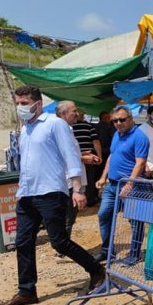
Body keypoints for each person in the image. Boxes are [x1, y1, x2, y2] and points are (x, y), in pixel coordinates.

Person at [0, 86, 105, 305]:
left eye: (24, 103)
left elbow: (71, 156)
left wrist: (78, 189)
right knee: (23, 242)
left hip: (50, 192)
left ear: (37, 103)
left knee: (59, 241)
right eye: (17, 103)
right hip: (27, 194)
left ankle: (96, 270)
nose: (20, 107)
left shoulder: (55, 124)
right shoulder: (26, 129)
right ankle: (27, 291)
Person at [94, 106, 149, 262]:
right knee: (104, 215)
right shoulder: (117, 135)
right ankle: (107, 251)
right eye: (115, 120)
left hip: (131, 186)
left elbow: (140, 163)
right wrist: (103, 177)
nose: (118, 123)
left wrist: (129, 184)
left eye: (122, 119)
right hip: (112, 186)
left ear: (131, 119)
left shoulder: (140, 137)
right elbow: (112, 156)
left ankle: (134, 253)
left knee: (135, 220)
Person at [55, 101, 99, 255]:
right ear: (63, 114)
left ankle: (62, 244)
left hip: (73, 179)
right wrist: (83, 158)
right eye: (73, 110)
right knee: (68, 217)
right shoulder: (61, 131)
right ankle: (62, 246)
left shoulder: (69, 129)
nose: (76, 113)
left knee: (69, 217)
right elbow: (62, 156)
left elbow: (70, 155)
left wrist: (82, 156)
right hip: (68, 182)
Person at [72, 110, 102, 206]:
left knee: (77, 178)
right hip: (88, 157)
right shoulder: (89, 126)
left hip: (75, 157)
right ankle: (89, 199)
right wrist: (99, 156)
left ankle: (79, 197)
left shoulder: (70, 127)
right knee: (89, 178)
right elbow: (96, 142)